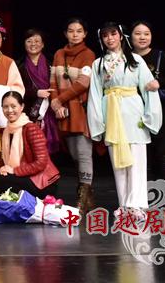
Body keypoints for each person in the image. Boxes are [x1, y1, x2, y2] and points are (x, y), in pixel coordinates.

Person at [87, 23, 161, 215]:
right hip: (111, 112)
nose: (110, 38)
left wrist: (150, 115)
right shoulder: (98, 64)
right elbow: (95, 94)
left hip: (133, 112)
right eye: (105, 35)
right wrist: (98, 122)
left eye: (113, 34)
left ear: (121, 36)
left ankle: (137, 204)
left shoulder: (135, 60)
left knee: (136, 160)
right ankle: (124, 204)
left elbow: (148, 88)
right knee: (118, 162)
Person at [49, 17, 96, 212]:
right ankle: (88, 196)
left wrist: (59, 100)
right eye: (71, 31)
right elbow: (52, 81)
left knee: (83, 153)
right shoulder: (59, 54)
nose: (75, 34)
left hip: (81, 110)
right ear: (65, 33)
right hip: (64, 113)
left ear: (85, 34)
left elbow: (83, 83)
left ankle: (83, 196)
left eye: (79, 31)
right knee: (75, 154)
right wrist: (55, 103)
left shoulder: (88, 54)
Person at [129, 21, 165, 181]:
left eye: (146, 34)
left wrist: (159, 83)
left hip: (162, 113)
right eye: (138, 33)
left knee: (164, 157)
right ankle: (144, 195)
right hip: (135, 114)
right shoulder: (126, 58)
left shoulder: (161, 56)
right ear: (130, 37)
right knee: (142, 158)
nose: (142, 37)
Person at [0, 91, 61, 199]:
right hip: (26, 176)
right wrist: (4, 169)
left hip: (42, 181)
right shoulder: (6, 130)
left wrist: (14, 171)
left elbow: (41, 163)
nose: (9, 110)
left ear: (22, 107)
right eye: (5, 107)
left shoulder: (31, 128)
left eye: (13, 106)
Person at [17, 29, 61, 155]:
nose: (33, 44)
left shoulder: (52, 63)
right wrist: (36, 93)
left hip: (51, 110)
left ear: (43, 44)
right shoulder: (18, 65)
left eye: (37, 41)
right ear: (24, 44)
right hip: (29, 111)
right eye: (29, 41)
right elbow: (16, 89)